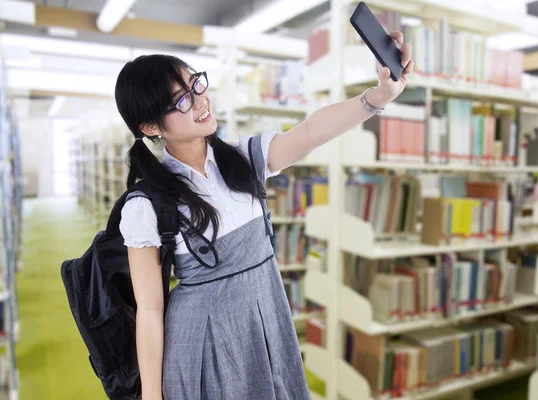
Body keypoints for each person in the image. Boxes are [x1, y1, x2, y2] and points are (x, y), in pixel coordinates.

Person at [114, 31, 413, 400]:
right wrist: (152, 396)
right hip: (204, 340)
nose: (200, 101)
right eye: (182, 100)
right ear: (151, 127)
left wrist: (377, 96)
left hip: (266, 318)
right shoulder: (147, 204)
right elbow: (149, 310)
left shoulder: (243, 158)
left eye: (196, 84)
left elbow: (310, 132)